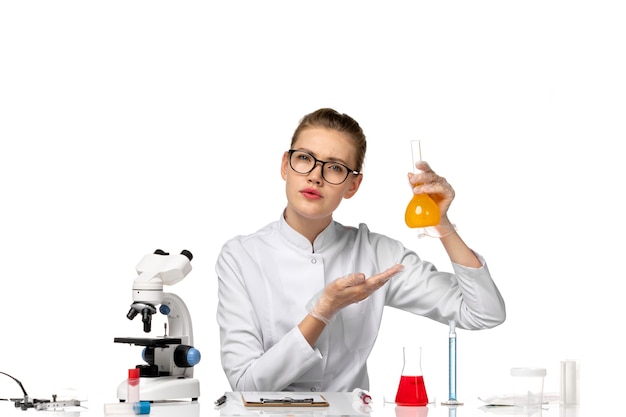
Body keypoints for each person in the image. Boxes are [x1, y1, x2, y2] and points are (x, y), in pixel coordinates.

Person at [215, 108, 505, 392]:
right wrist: (323, 311)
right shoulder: (241, 256)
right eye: (304, 158)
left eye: (335, 168)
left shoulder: (377, 254)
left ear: (353, 185)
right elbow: (246, 385)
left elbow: (484, 313)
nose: (316, 176)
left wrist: (441, 224)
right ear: (285, 165)